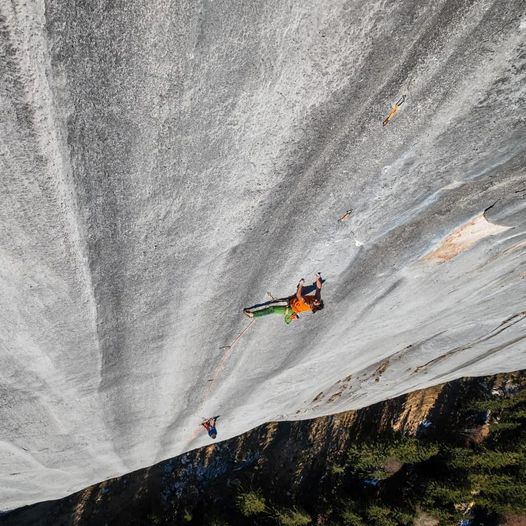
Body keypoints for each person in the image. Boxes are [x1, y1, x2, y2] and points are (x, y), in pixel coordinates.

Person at [244, 273, 324, 324]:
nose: (317, 300)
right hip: (293, 304)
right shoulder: (316, 298)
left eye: (316, 302)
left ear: (313, 306)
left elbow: (299, 295)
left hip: (291, 309)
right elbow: (318, 288)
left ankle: (253, 314)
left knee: (272, 309)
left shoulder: (306, 303)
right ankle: (291, 318)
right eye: (318, 300)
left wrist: (300, 285)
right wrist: (318, 278)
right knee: (280, 311)